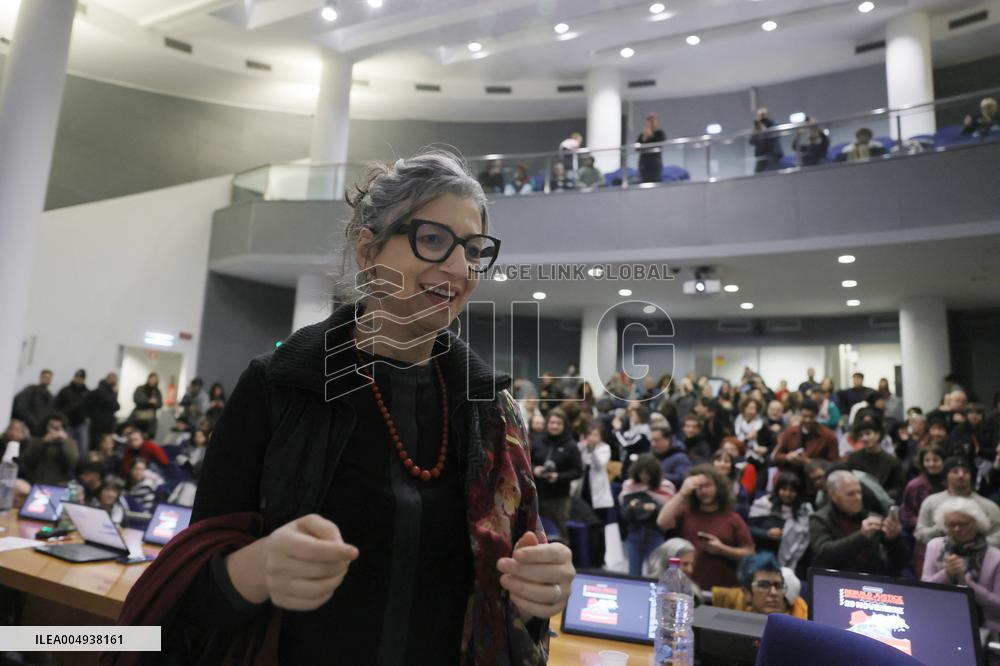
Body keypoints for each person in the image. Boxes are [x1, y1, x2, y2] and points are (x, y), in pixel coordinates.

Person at [132, 151, 571, 665]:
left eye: (473, 249)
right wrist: (255, 568)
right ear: (369, 252)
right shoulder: (280, 388)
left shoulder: (492, 413)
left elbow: (517, 577)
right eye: (432, 239)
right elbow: (194, 590)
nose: (458, 267)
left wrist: (542, 589)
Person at [656, 465, 755, 589]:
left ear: (718, 487)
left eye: (708, 486)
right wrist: (682, 492)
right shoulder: (686, 513)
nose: (703, 491)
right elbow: (662, 522)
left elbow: (749, 552)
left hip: (721, 589)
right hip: (687, 586)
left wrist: (721, 549)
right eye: (699, 487)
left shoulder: (733, 518)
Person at [922, 497, 1000, 631]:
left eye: (963, 524)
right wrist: (945, 574)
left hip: (982, 626)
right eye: (951, 525)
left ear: (976, 523)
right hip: (938, 619)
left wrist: (969, 585)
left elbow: (997, 606)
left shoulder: (995, 557)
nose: (957, 529)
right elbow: (923, 592)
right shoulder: (934, 546)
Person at [809, 470, 908, 576]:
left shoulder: (872, 517)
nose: (858, 498)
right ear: (833, 496)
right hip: (837, 578)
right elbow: (825, 554)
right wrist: (862, 536)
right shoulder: (820, 519)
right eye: (850, 494)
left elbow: (900, 563)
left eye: (859, 492)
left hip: (870, 579)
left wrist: (894, 539)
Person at [916, 457, 1000, 549]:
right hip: (939, 557)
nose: (961, 475)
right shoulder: (930, 502)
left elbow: (997, 535)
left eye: (965, 472)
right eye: (955, 471)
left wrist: (976, 546)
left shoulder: (988, 506)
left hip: (980, 560)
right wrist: (940, 529)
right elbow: (919, 534)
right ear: (946, 476)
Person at [532, 408, 584, 542]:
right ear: (547, 423)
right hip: (537, 496)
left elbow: (578, 471)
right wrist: (534, 469)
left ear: (564, 425)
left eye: (558, 423)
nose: (555, 426)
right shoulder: (537, 442)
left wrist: (558, 477)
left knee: (560, 535)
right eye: (552, 422)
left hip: (559, 499)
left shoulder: (571, 445)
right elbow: (526, 462)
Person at [619, 454, 675, 576]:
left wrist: (655, 508)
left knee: (655, 573)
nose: (644, 477)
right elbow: (624, 515)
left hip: (655, 534)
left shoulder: (666, 487)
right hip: (634, 533)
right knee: (633, 575)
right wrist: (632, 506)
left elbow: (670, 513)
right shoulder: (630, 486)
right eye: (641, 473)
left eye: (648, 473)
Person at [711, 552, 809, 618]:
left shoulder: (803, 626)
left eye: (778, 585)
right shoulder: (736, 623)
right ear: (746, 593)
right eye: (764, 585)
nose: (774, 593)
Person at [747, 472, 813, 570]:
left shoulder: (805, 511)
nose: (787, 494)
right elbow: (748, 529)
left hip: (794, 564)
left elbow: (806, 538)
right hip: (763, 559)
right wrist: (766, 533)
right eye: (784, 489)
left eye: (792, 490)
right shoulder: (764, 505)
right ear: (777, 489)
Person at [846, 418, 904, 499]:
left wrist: (882, 496)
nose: (864, 438)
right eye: (861, 435)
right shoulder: (853, 458)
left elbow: (898, 488)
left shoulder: (892, 461)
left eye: (868, 433)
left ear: (877, 435)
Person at [771, 399, 839, 468]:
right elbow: (776, 456)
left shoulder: (828, 436)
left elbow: (834, 463)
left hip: (817, 474)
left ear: (817, 416)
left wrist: (808, 462)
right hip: (791, 472)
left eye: (811, 417)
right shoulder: (790, 432)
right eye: (804, 416)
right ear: (799, 414)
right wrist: (787, 457)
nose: (808, 420)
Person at [18, 413, 80, 485]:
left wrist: (63, 443)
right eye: (52, 427)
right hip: (35, 482)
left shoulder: (69, 443)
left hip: (58, 484)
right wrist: (43, 442)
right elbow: (26, 459)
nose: (54, 430)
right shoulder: (36, 441)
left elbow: (72, 462)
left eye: (57, 428)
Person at [899, 446, 946, 534]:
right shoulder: (914, 486)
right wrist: (926, 524)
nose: (931, 464)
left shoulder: (949, 484)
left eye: (935, 460)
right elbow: (907, 513)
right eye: (927, 460)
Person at [577, 425, 613, 526]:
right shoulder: (582, 447)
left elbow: (600, 464)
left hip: (598, 490)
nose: (592, 437)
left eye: (595, 435)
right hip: (583, 487)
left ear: (600, 437)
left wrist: (593, 450)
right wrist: (581, 445)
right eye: (589, 434)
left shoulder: (605, 448)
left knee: (598, 522)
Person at [54, 369, 90, 455]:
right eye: (77, 377)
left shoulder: (87, 393)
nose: (78, 379)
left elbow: (90, 408)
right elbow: (57, 406)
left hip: (81, 423)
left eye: (81, 377)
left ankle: (80, 467)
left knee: (83, 449)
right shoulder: (65, 390)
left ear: (84, 379)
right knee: (67, 449)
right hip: (67, 423)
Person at [11, 369, 54, 437]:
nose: (47, 379)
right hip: (28, 426)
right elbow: (20, 406)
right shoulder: (31, 390)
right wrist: (32, 422)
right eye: (45, 377)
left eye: (49, 378)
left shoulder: (49, 396)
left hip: (40, 430)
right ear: (40, 377)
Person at [713, 448, 750, 520]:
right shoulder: (703, 481)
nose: (722, 464)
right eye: (718, 460)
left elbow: (744, 511)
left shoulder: (737, 486)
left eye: (726, 461)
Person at [85, 372, 120, 446]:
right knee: (99, 444)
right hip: (101, 423)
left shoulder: (100, 390)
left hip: (98, 421)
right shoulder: (104, 392)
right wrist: (114, 393)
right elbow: (116, 406)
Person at [651, 425, 691, 489]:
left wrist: (656, 476)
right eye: (652, 440)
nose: (652, 444)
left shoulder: (680, 458)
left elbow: (682, 478)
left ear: (667, 440)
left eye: (656, 440)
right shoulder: (653, 455)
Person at [750, 108, 783, 173]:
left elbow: (776, 136)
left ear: (767, 114)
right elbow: (751, 141)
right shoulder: (757, 126)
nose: (762, 116)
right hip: (761, 155)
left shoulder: (772, 124)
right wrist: (755, 132)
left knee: (773, 172)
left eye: (763, 114)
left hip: (772, 153)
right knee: (757, 174)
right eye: (760, 115)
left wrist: (766, 130)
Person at [131, 373, 163, 439]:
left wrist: (155, 403)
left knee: (148, 438)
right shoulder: (141, 388)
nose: (152, 381)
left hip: (150, 419)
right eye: (151, 379)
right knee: (136, 436)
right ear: (148, 379)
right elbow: (136, 399)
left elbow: (160, 404)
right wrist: (148, 401)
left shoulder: (157, 391)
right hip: (138, 418)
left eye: (154, 379)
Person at [637, 112, 666, 183]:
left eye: (653, 121)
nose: (651, 123)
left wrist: (650, 135)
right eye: (649, 121)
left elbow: (658, 143)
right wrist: (645, 137)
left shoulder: (660, 133)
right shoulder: (642, 135)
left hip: (655, 164)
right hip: (644, 164)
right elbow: (637, 148)